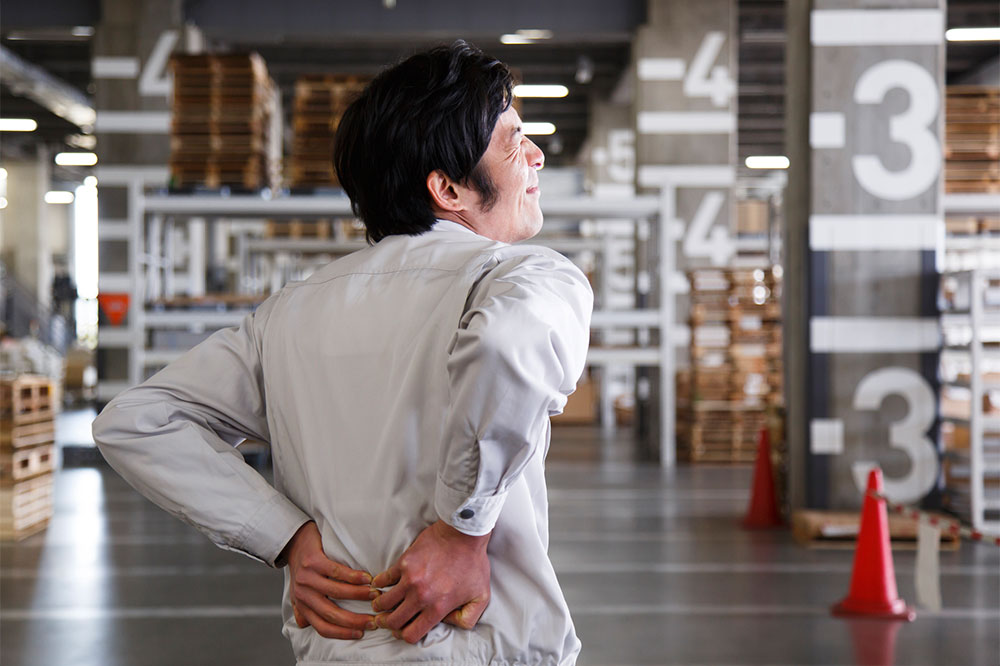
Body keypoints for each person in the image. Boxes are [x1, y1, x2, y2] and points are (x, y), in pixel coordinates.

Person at [93, 40, 591, 665]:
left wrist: (286, 536)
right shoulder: (522, 278)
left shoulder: (289, 313)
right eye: (515, 141)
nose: (537, 155)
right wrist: (463, 530)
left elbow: (137, 421)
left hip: (337, 649)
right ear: (448, 188)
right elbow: (505, 345)